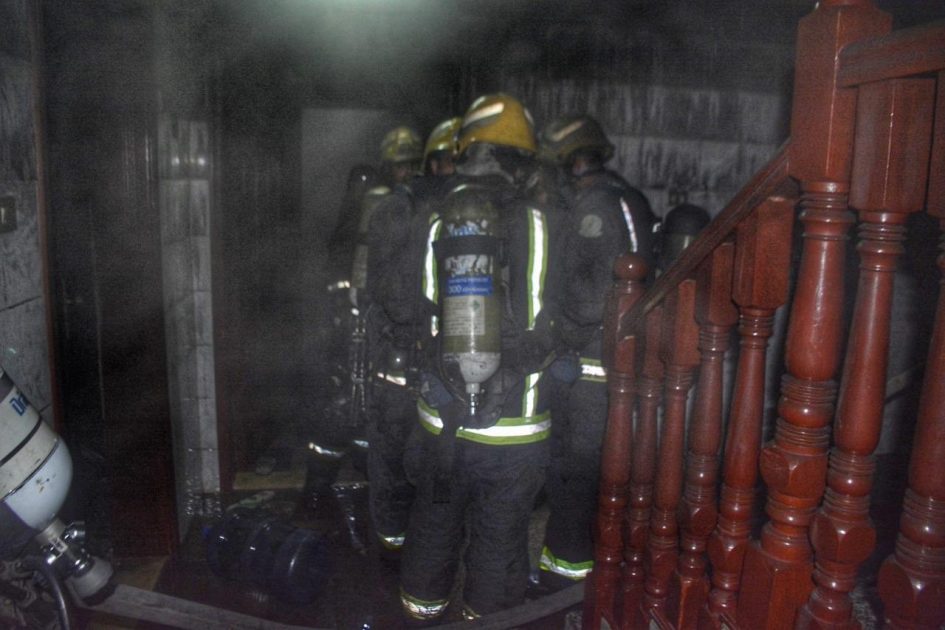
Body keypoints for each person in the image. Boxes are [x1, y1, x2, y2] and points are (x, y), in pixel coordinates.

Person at [399, 94, 555, 622]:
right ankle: (485, 619)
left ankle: (419, 613)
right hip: (513, 428)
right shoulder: (535, 221)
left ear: (468, 149)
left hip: (442, 418)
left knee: (432, 525)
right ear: (521, 157)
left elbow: (419, 307)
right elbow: (543, 315)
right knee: (499, 538)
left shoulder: (436, 217)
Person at [536, 114, 656, 588]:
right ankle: (583, 567)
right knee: (592, 478)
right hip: (609, 364)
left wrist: (551, 325)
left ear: (572, 163)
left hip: (591, 368)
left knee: (574, 477)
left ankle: (564, 580)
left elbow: (589, 301)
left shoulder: (596, 209)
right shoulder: (625, 197)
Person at [363, 118, 460, 554]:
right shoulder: (402, 209)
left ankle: (411, 543)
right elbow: (392, 294)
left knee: (424, 460)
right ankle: (399, 546)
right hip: (410, 362)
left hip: (431, 364)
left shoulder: (450, 208)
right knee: (403, 456)